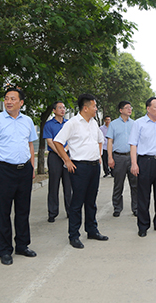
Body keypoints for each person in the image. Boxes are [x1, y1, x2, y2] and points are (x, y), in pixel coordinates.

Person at [0, 87, 38, 266]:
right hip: (4, 171)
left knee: (23, 210)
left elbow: (30, 144)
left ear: (21, 102)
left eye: (13, 98)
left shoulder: (28, 121)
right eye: (6, 98)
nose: (8, 101)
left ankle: (22, 245)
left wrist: (32, 166)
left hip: (24, 170)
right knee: (4, 212)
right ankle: (5, 250)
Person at [54, 94, 109, 249]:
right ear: (85, 108)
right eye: (94, 106)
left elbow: (100, 140)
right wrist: (67, 160)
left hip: (94, 167)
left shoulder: (93, 123)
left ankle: (92, 230)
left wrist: (98, 156)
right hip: (79, 167)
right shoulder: (72, 123)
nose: (96, 109)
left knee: (91, 201)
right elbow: (58, 142)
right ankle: (74, 235)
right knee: (77, 202)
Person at [129, 97, 156, 237]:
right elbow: (133, 144)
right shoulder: (139, 123)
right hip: (145, 162)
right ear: (148, 108)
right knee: (143, 195)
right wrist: (134, 163)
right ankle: (143, 226)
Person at [107, 101, 138, 217]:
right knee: (118, 184)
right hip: (118, 157)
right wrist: (110, 158)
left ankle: (136, 208)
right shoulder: (113, 124)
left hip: (132, 157)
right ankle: (117, 207)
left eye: (130, 107)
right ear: (121, 110)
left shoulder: (135, 124)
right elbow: (110, 141)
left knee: (135, 184)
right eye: (127, 108)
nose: (130, 109)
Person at [43, 101, 71, 223]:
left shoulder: (68, 124)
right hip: (54, 156)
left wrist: (65, 152)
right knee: (54, 185)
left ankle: (70, 211)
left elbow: (72, 139)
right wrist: (61, 153)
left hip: (67, 155)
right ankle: (52, 213)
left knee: (69, 185)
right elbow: (50, 142)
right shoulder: (49, 125)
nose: (62, 110)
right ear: (54, 110)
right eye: (60, 108)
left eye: (64, 107)